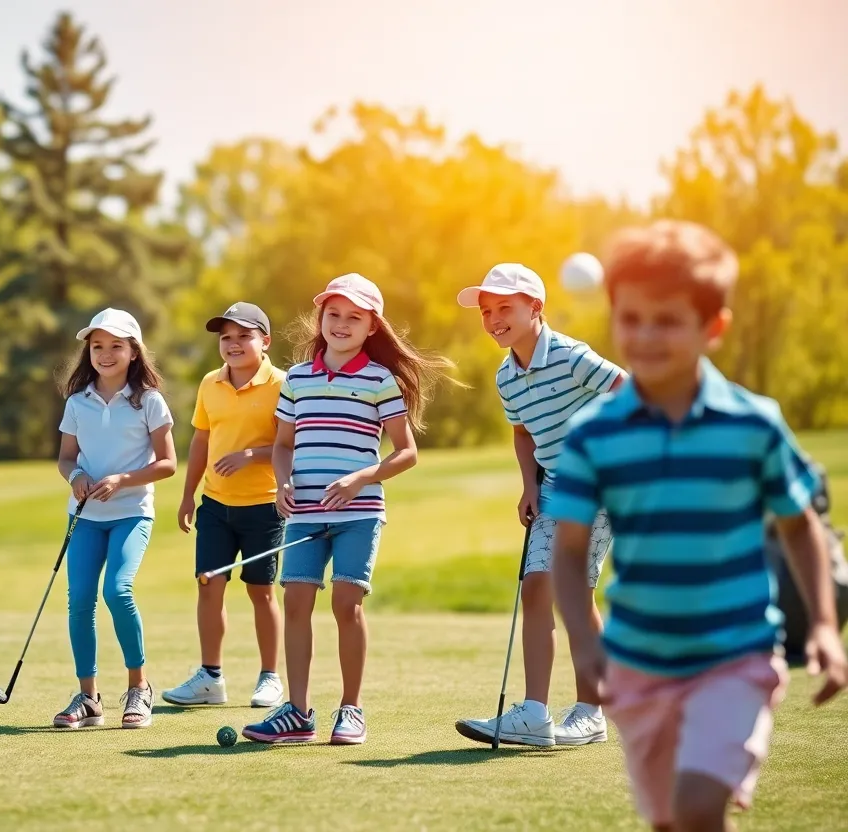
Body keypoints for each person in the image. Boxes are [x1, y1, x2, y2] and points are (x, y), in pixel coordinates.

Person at [549, 220, 847, 831]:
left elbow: (798, 525)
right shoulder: (594, 436)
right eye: (632, 319)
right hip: (637, 661)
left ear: (713, 327)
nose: (646, 336)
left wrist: (821, 623)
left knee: (695, 805)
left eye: (668, 320)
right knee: (673, 821)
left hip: (733, 657)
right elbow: (570, 549)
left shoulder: (752, 424)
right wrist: (584, 639)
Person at [242, 273, 453, 745]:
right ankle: (297, 712)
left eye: (353, 317)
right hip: (304, 512)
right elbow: (281, 445)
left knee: (345, 604)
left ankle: (351, 709)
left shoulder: (379, 380)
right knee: (296, 601)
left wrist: (362, 476)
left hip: (359, 512)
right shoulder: (297, 378)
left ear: (371, 326)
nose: (340, 323)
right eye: (333, 314)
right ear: (321, 317)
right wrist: (281, 484)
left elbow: (406, 452)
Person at [452, 264, 626, 747]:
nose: (493, 319)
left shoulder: (571, 356)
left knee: (572, 594)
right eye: (487, 311)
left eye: (505, 307)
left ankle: (590, 711)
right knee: (536, 590)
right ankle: (534, 714)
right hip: (553, 491)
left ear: (536, 308)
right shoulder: (506, 375)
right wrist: (528, 484)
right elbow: (522, 433)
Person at [52, 308, 176, 729]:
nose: (105, 354)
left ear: (134, 352)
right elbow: (67, 459)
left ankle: (139, 689)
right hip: (86, 515)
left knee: (118, 591)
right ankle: (88, 699)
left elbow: (168, 463)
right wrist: (77, 477)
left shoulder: (150, 402)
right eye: (97, 346)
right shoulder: (77, 402)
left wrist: (123, 479)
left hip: (132, 513)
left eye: (116, 346)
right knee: (80, 600)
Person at [164, 302, 286, 709]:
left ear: (264, 341)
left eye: (243, 336)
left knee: (260, 591)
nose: (233, 344)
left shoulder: (284, 384)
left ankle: (270, 677)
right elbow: (200, 440)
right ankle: (210, 678)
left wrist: (251, 456)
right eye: (226, 338)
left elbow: (292, 443)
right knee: (208, 585)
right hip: (215, 503)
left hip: (264, 507)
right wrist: (187, 494)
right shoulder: (208, 384)